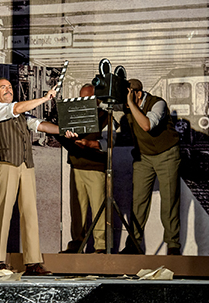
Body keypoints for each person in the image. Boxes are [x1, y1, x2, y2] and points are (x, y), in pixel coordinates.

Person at [0, 77, 59, 275]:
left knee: (30, 213)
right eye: (2, 87)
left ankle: (33, 262)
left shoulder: (21, 116)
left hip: (26, 165)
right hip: (7, 164)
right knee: (3, 211)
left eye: (9, 86)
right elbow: (15, 109)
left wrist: (65, 131)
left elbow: (41, 125)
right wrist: (45, 98)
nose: (8, 89)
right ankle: (0, 261)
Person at [120, 79, 181, 255]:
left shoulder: (158, 103)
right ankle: (133, 244)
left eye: (128, 95)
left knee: (169, 201)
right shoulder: (128, 105)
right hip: (144, 157)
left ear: (137, 93)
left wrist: (131, 104)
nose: (125, 101)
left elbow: (147, 125)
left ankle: (173, 245)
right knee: (138, 202)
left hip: (166, 155)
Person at [59, 84, 111, 254]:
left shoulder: (105, 117)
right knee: (77, 208)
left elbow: (111, 141)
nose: (83, 101)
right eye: (81, 98)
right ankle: (77, 243)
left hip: (95, 167)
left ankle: (101, 246)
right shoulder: (73, 116)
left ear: (97, 100)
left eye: (87, 98)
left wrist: (91, 144)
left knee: (99, 208)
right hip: (76, 165)